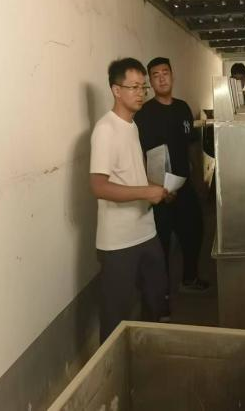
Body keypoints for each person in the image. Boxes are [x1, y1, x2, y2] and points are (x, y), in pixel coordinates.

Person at [89, 57, 169, 343]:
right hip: (118, 242)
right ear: (116, 90)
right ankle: (111, 368)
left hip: (146, 231)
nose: (141, 93)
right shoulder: (105, 130)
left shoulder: (132, 126)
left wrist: (156, 188)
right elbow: (98, 186)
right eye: (133, 87)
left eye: (142, 87)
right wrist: (146, 192)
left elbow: (130, 176)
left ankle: (146, 353)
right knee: (115, 315)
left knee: (155, 298)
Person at [134, 57, 210, 307]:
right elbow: (141, 156)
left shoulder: (182, 108)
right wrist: (155, 189)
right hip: (158, 191)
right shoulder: (144, 114)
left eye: (165, 72)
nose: (162, 78)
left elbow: (191, 146)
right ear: (150, 82)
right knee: (162, 243)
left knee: (195, 230)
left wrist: (198, 179)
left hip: (184, 186)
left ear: (172, 75)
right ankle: (162, 295)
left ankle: (189, 278)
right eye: (155, 75)